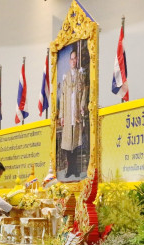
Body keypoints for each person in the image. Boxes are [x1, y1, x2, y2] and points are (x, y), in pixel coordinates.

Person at [59, 48, 87, 178]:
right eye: (71, 58)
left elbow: (83, 93)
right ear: (69, 61)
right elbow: (63, 98)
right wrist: (62, 116)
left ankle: (75, 169)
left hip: (76, 114)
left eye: (75, 58)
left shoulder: (81, 75)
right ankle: (69, 168)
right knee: (67, 143)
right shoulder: (65, 77)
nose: (73, 61)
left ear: (77, 60)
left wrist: (82, 107)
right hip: (68, 114)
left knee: (75, 142)